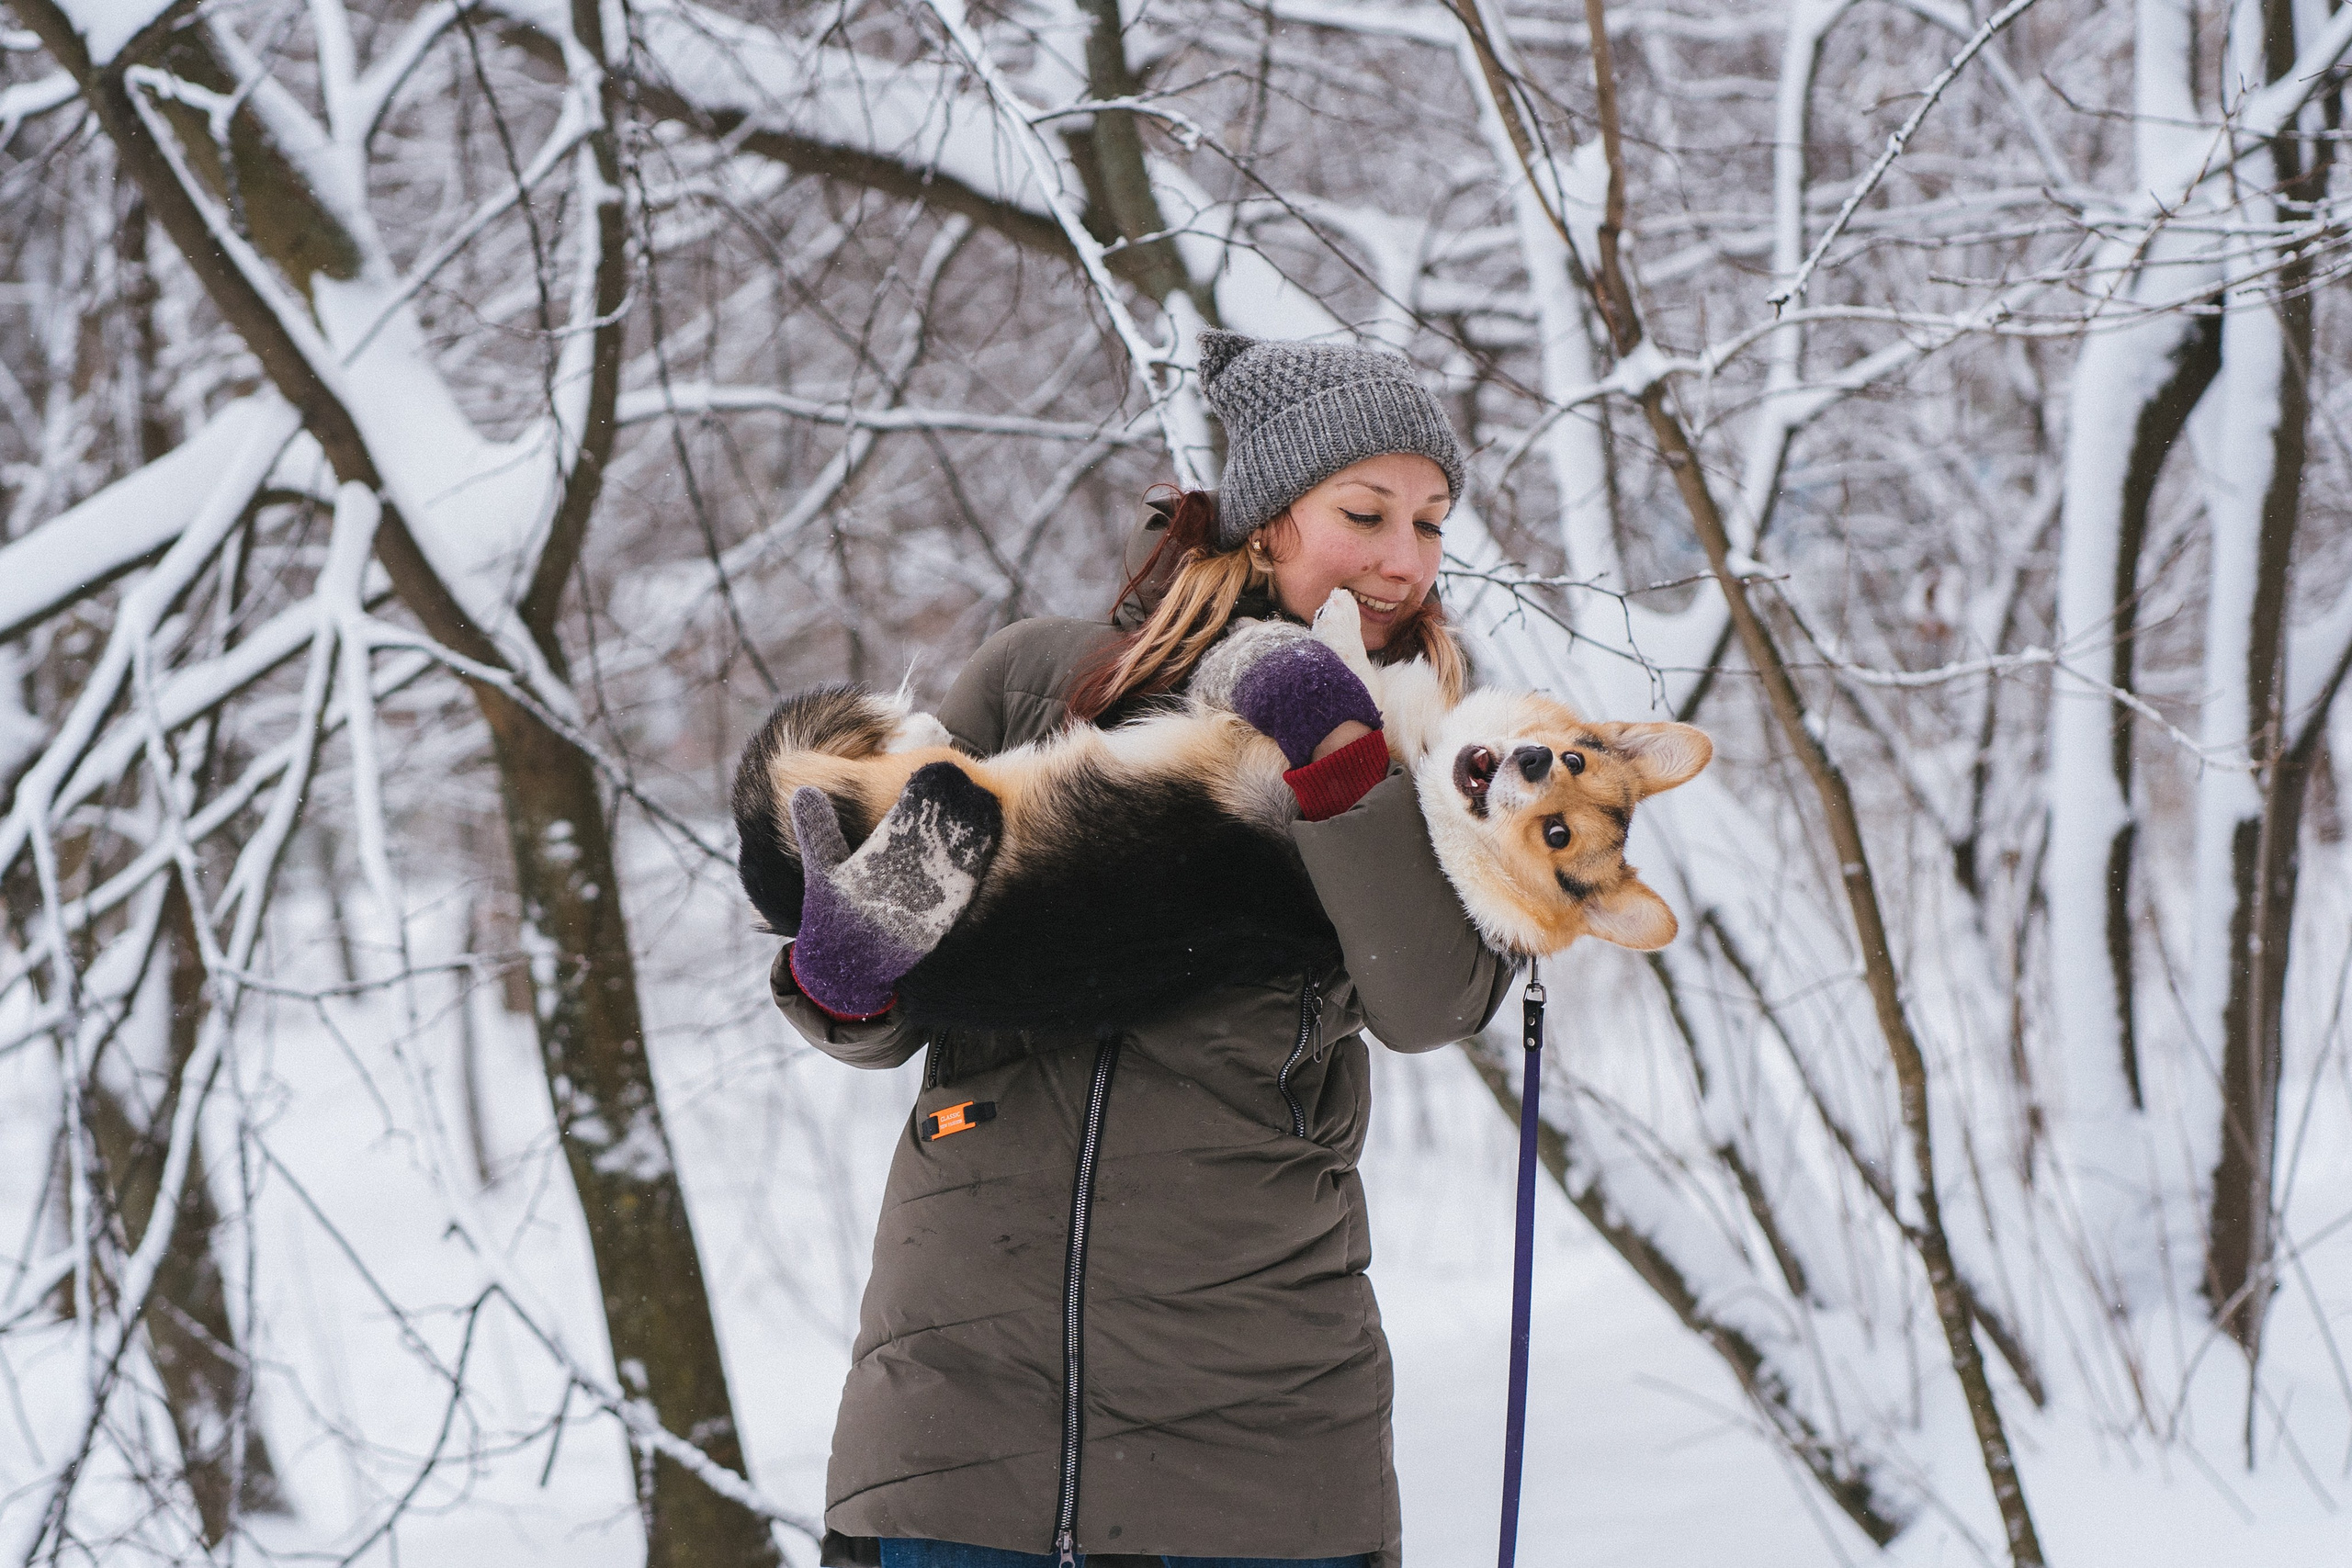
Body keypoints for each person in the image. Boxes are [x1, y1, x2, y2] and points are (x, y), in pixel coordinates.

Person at [768, 331, 1513, 1568]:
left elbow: (1431, 999)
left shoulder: (1442, 740)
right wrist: (838, 981)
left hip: (1258, 1429)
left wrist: (1341, 760)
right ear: (1269, 518)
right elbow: (894, 987)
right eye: (1367, 512)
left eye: (1432, 524)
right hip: (959, 1410)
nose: (1404, 558)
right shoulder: (1037, 683)